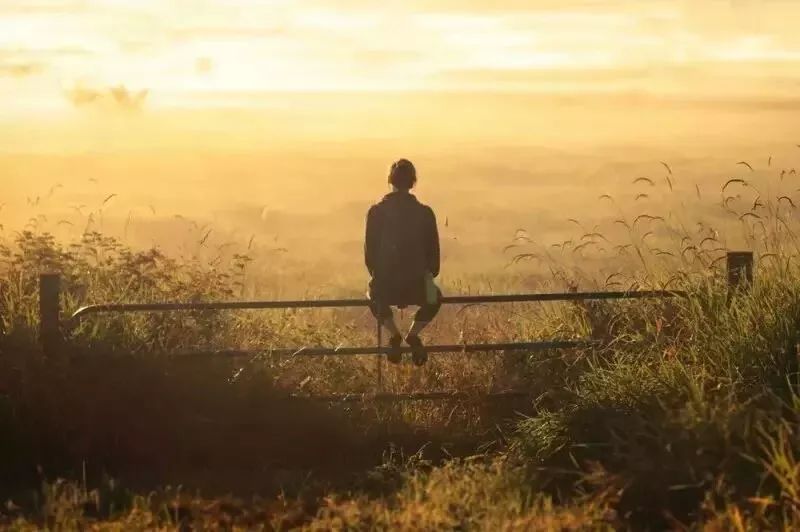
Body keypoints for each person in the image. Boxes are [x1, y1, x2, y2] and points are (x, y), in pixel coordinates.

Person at [365, 159, 441, 366]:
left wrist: (379, 275)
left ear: (390, 181)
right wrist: (426, 276)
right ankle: (413, 335)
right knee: (435, 298)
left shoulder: (376, 212)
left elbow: (369, 255)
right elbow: (434, 257)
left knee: (373, 296)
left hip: (386, 286)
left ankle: (394, 335)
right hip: (417, 285)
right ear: (413, 182)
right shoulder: (425, 213)